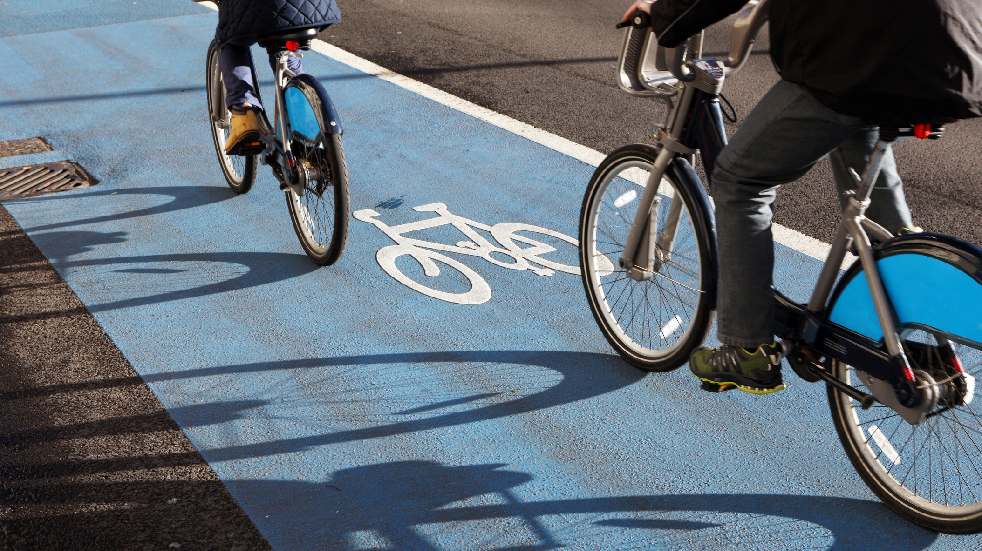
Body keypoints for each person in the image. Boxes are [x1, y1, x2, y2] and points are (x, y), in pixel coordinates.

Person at [620, 0, 982, 394]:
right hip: (955, 59)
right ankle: (907, 280)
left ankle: (747, 349)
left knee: (738, 180)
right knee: (858, 127)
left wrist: (664, 15)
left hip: (859, 57)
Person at [216, 0, 341, 154]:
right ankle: (301, 108)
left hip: (265, 10)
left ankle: (243, 111)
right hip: (313, 8)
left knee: (230, 40)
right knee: (284, 39)